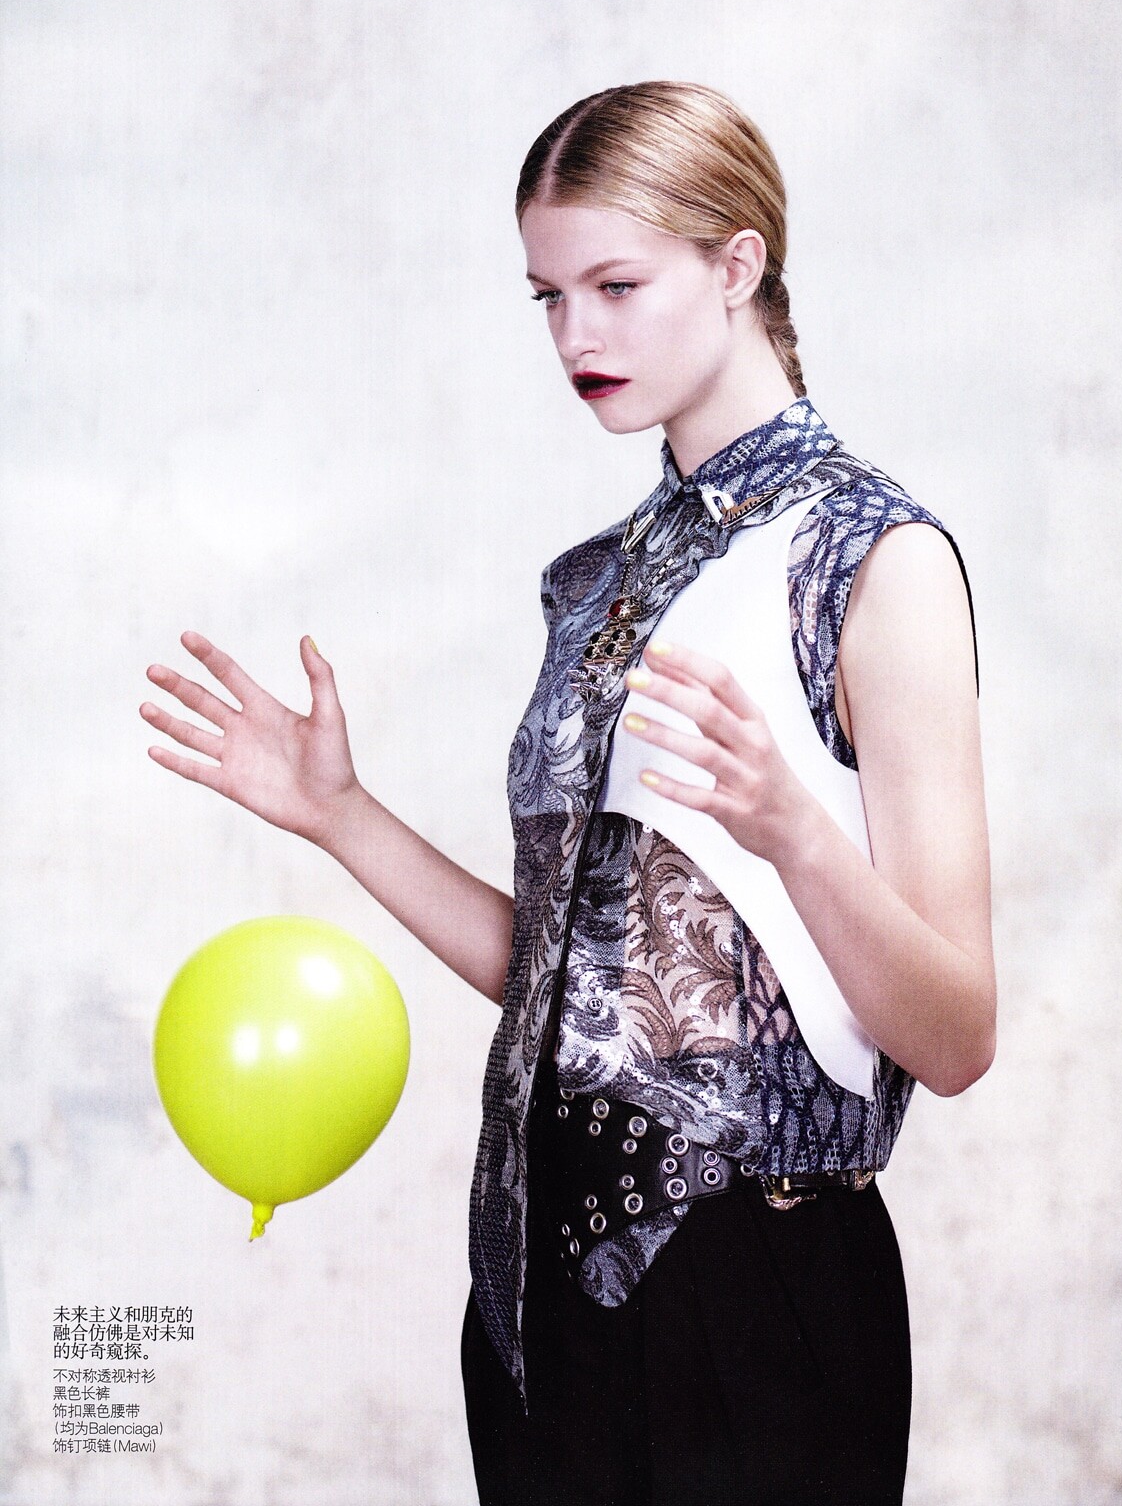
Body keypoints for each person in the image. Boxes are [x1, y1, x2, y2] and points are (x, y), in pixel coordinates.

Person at [142, 81, 995, 1506]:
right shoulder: (596, 583)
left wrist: (792, 833)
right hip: (535, 1285)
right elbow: (562, 981)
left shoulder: (875, 561)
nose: (574, 337)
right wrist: (339, 813)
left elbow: (957, 1036)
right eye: (547, 296)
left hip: (758, 1292)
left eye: (615, 285)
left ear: (737, 265)